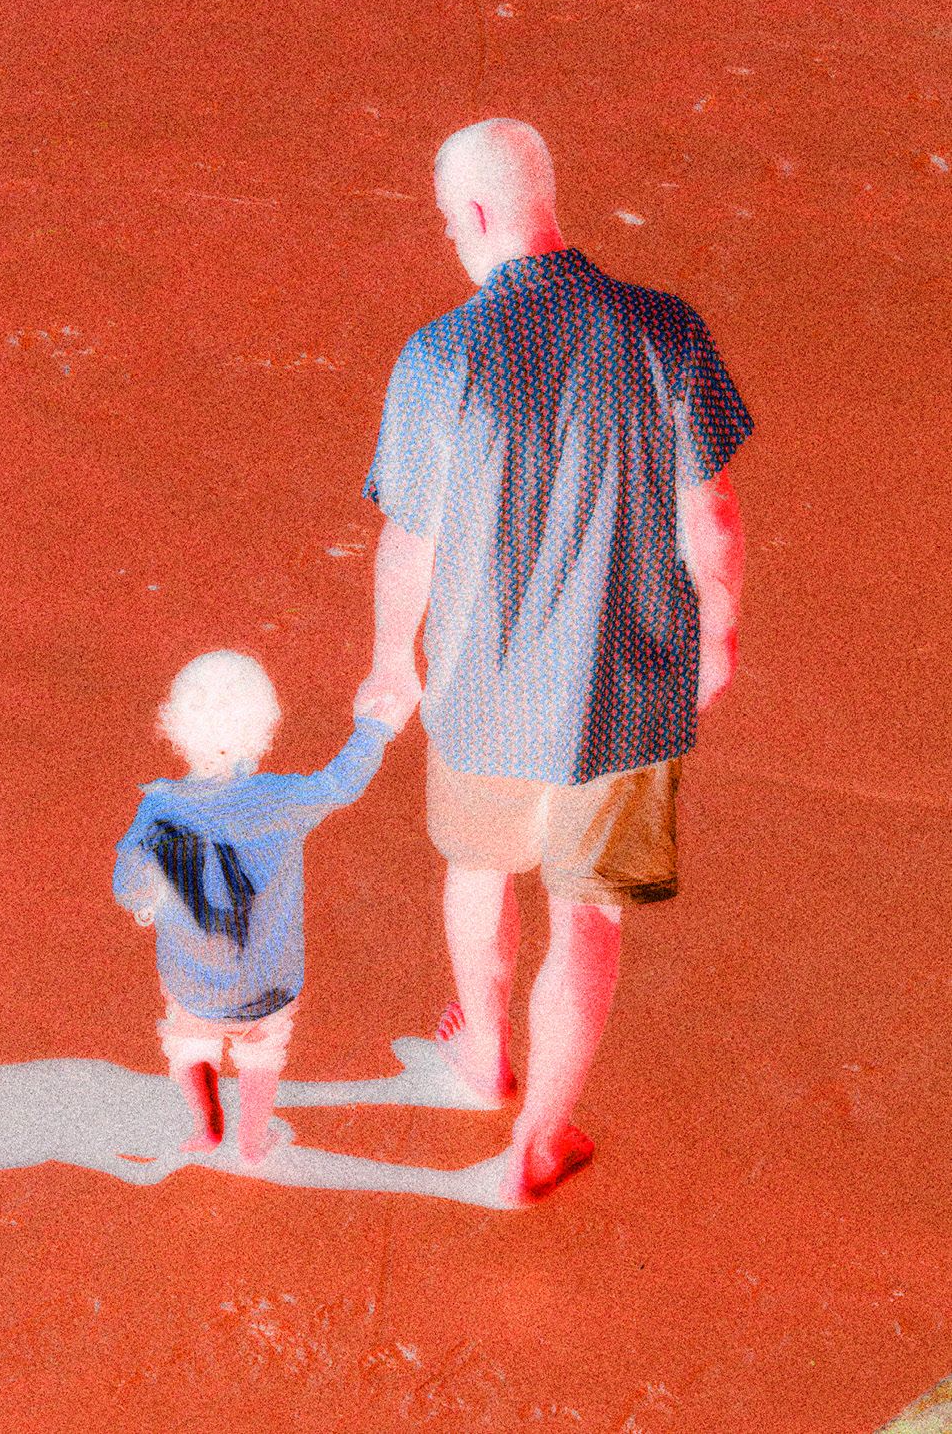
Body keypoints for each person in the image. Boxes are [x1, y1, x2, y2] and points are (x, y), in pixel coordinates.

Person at [355, 118, 751, 1205]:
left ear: (478, 214)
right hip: (627, 693)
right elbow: (712, 512)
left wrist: (392, 660)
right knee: (588, 915)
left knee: (480, 871)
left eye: (449, 221)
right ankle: (538, 1142)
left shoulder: (441, 356)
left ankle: (484, 1055)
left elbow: (409, 542)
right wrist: (718, 630)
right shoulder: (664, 330)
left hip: (482, 686)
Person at [113, 649, 396, 1164]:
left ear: (176, 727)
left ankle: (208, 1120)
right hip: (270, 979)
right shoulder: (280, 798)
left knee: (189, 1041)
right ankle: (252, 1139)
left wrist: (144, 903)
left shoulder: (159, 810)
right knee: (263, 1052)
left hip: (193, 980)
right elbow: (340, 784)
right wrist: (373, 731)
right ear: (264, 728)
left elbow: (129, 881)